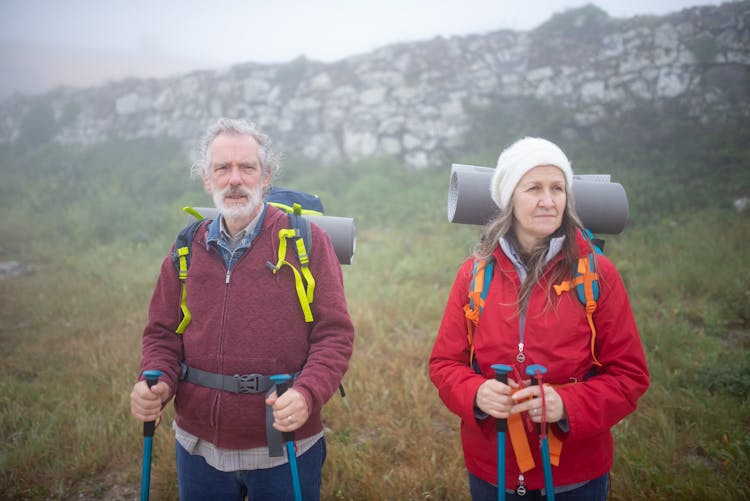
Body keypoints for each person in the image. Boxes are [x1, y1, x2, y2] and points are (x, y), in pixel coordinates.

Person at [130, 118, 355, 501]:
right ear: (207, 178)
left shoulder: (308, 242)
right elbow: (162, 334)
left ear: (265, 176)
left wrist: (306, 394)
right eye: (223, 168)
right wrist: (157, 383)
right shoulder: (186, 246)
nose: (235, 179)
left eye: (246, 167)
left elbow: (334, 335)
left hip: (285, 442)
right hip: (197, 444)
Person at [429, 137, 649, 500]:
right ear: (509, 200)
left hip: (575, 476)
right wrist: (477, 393)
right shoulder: (473, 275)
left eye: (558, 188)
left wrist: (568, 405)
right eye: (534, 188)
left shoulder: (598, 275)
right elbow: (444, 364)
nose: (549, 201)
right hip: (492, 470)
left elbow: (630, 376)